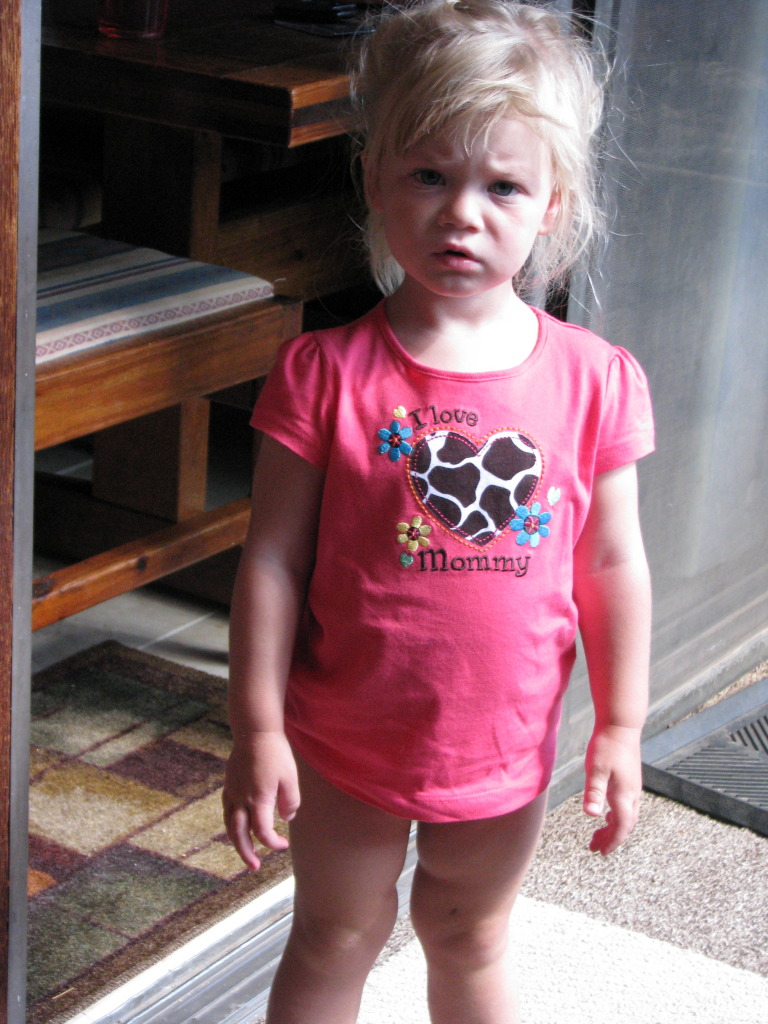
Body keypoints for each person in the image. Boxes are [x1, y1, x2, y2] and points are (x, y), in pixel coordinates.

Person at [223, 1, 654, 1021]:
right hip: (343, 739)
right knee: (334, 933)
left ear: (551, 205)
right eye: (429, 175)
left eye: (502, 185)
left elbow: (612, 565)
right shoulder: (323, 374)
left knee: (470, 935)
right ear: (374, 179)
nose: (464, 214)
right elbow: (272, 562)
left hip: (502, 747)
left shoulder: (596, 380)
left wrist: (622, 724)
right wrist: (257, 726)